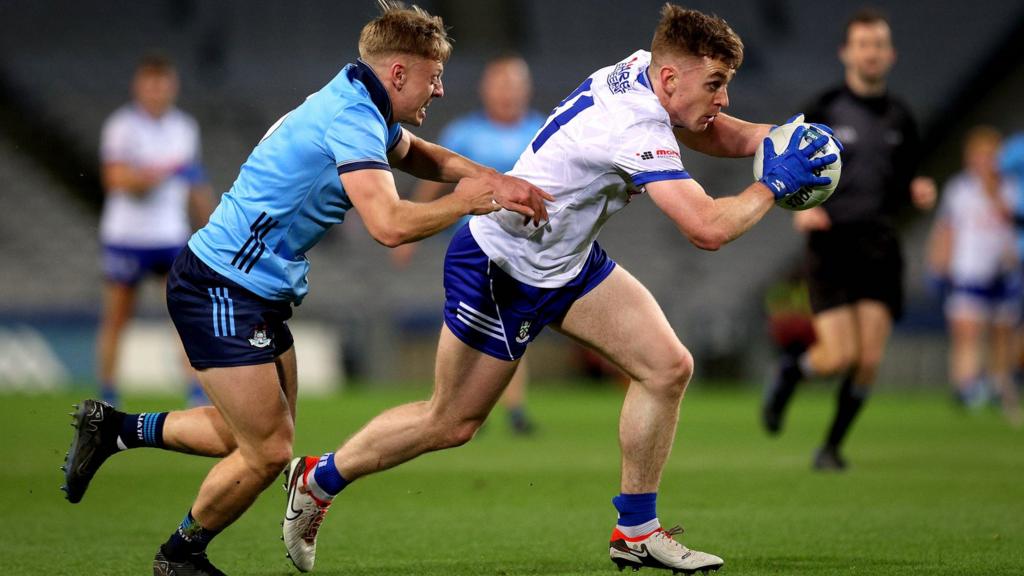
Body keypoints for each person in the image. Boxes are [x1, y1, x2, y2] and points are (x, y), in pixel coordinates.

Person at [282, 5, 837, 574]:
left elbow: (707, 126)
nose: (722, 98)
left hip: (565, 261)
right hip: (502, 264)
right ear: (670, 79)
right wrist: (773, 182)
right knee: (450, 423)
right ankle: (317, 478)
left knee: (667, 367)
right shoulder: (636, 125)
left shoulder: (647, 70)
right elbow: (707, 228)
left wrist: (774, 137)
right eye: (716, 84)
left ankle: (636, 532)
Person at [61, 3, 552, 575]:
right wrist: (470, 200)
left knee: (240, 434)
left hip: (254, 291)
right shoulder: (351, 116)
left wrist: (487, 179)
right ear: (398, 73)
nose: (440, 90)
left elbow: (417, 154)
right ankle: (179, 556)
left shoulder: (362, 99)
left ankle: (113, 428)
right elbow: (389, 226)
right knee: (267, 451)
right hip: (222, 286)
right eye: (433, 75)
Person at [760, 8, 937, 470]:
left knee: (868, 359)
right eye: (863, 43)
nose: (871, 52)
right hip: (832, 243)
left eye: (878, 44)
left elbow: (906, 177)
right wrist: (802, 210)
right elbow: (787, 164)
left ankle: (831, 448)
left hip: (880, 245)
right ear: (847, 52)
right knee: (838, 356)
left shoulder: (902, 116)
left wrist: (917, 188)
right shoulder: (823, 110)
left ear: (890, 54)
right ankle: (791, 371)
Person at [392, 54, 546, 435]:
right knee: (474, 322)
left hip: (525, 245)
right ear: (487, 90)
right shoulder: (465, 132)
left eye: (514, 84)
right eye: (501, 84)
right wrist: (410, 227)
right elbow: (433, 178)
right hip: (474, 245)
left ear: (525, 90)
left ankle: (506, 406)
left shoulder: (541, 129)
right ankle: (457, 402)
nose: (508, 93)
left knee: (511, 321)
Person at [97, 54, 214, 408]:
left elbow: (195, 181)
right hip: (127, 237)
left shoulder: (184, 127)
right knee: (118, 318)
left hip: (170, 234)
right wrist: (162, 171)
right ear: (139, 86)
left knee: (185, 314)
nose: (157, 91)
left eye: (163, 84)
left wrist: (210, 225)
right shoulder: (122, 127)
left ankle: (195, 391)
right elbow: (116, 180)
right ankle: (107, 394)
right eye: (151, 83)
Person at [928, 126, 1022, 424]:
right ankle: (966, 388)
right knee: (966, 331)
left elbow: (1013, 222)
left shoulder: (1011, 187)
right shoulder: (960, 188)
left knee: (1002, 333)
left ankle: (999, 385)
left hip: (1004, 269)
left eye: (988, 156)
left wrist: (993, 191)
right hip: (969, 269)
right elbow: (947, 227)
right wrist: (938, 262)